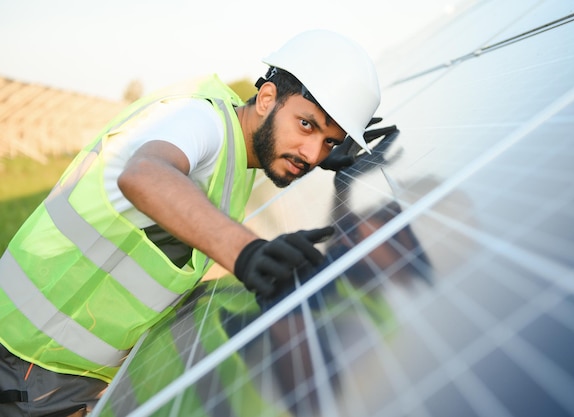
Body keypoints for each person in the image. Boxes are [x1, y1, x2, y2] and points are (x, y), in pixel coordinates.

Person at [0, 29, 383, 416]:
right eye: (307, 125)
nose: (313, 153)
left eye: (329, 142)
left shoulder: (240, 148)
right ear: (267, 99)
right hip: (27, 357)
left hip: (63, 368)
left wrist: (313, 152)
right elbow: (145, 174)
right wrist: (245, 252)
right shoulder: (203, 120)